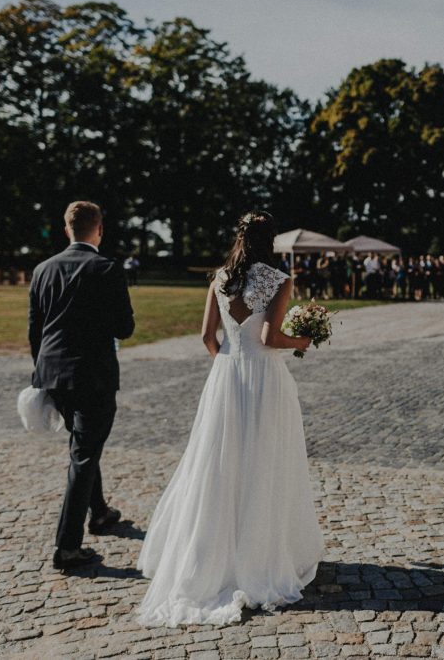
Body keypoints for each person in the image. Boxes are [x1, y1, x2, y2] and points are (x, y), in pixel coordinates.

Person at [137, 211, 323, 626]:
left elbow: (208, 336)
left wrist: (227, 366)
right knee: (262, 462)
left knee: (218, 466)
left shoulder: (219, 278)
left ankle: (210, 558)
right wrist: (301, 341)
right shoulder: (279, 280)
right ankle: (259, 556)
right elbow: (269, 338)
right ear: (269, 241)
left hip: (225, 377)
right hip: (264, 380)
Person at [29, 201, 135, 570]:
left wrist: (41, 374)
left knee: (82, 444)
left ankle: (101, 511)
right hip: (92, 375)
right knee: (84, 453)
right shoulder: (106, 269)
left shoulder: (43, 269)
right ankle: (67, 546)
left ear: (66, 229)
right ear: (99, 229)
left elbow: (35, 330)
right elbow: (125, 327)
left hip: (54, 373)